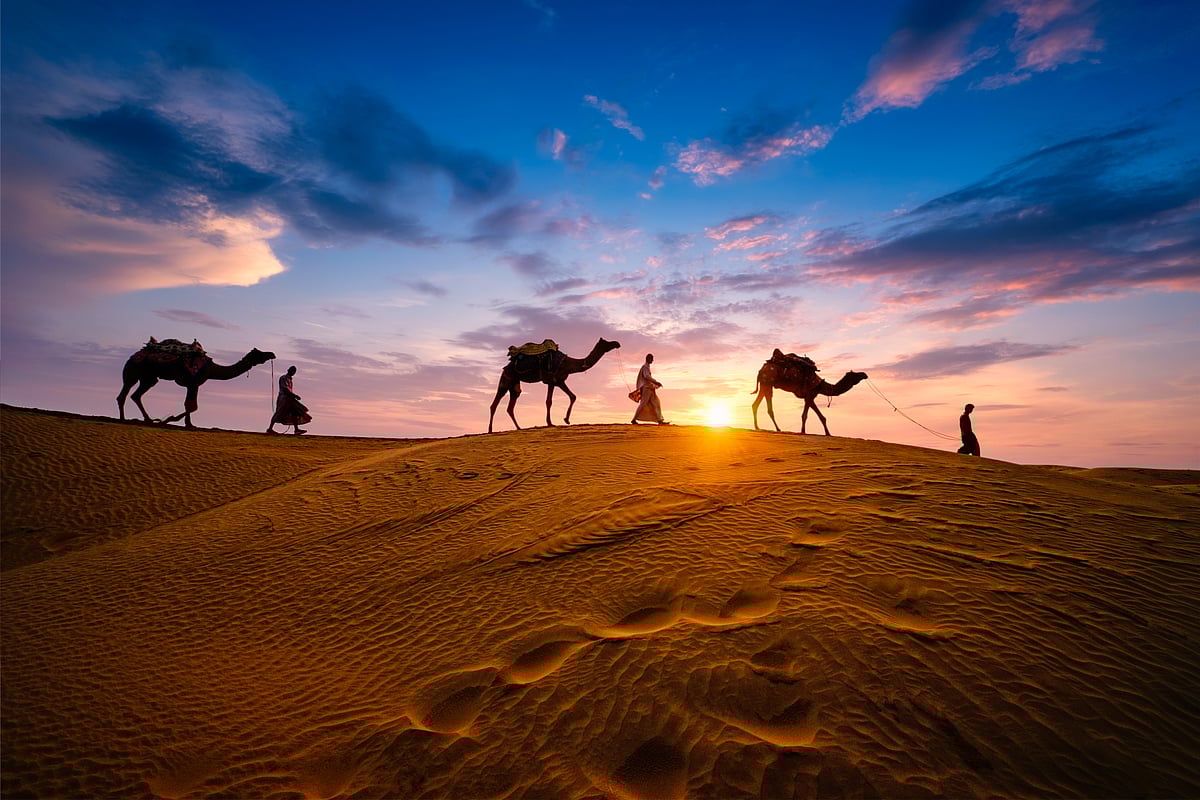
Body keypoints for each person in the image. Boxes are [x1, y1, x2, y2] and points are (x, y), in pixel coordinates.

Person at [267, 365, 312, 435]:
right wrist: (294, 395)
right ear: (288, 370)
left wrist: (293, 396)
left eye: (294, 371)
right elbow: (285, 389)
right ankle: (270, 429)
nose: (293, 372)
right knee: (278, 412)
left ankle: (296, 430)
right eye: (292, 371)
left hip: (289, 399)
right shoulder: (283, 378)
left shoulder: (290, 379)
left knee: (294, 412)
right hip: (284, 399)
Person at [631, 353, 669, 425]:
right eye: (651, 359)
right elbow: (646, 376)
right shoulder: (645, 367)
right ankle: (634, 419)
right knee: (643, 403)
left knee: (656, 402)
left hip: (650, 387)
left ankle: (660, 420)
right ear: (648, 359)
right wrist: (656, 382)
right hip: (646, 388)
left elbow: (647, 377)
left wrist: (655, 383)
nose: (652, 360)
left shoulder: (646, 366)